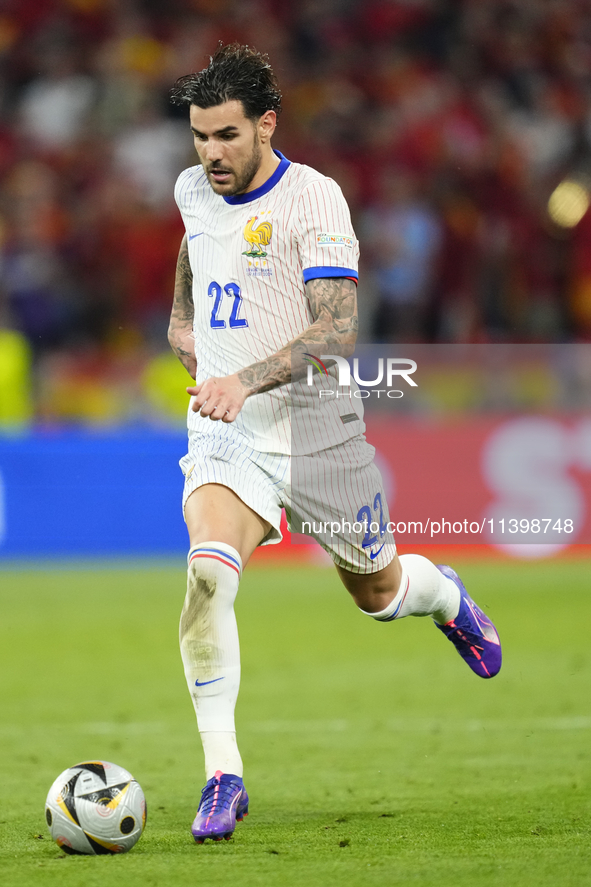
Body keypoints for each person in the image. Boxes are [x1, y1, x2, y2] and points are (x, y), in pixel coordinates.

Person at [167, 43, 501, 845]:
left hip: (316, 429)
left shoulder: (314, 200)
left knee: (378, 595)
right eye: (199, 136)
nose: (209, 153)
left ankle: (444, 595)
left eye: (226, 136)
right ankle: (223, 774)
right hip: (227, 433)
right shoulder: (191, 186)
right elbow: (193, 244)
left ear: (266, 125)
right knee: (208, 574)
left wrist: (243, 376)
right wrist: (180, 319)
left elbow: (336, 333)